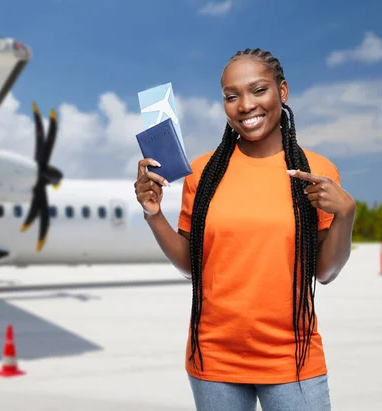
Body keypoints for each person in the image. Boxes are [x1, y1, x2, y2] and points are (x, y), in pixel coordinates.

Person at [133, 48, 356, 411]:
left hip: (292, 361)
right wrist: (154, 215)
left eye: (258, 90)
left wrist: (345, 215)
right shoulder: (203, 172)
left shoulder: (317, 170)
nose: (245, 105)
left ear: (282, 92)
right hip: (214, 360)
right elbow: (192, 267)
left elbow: (326, 273)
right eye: (231, 96)